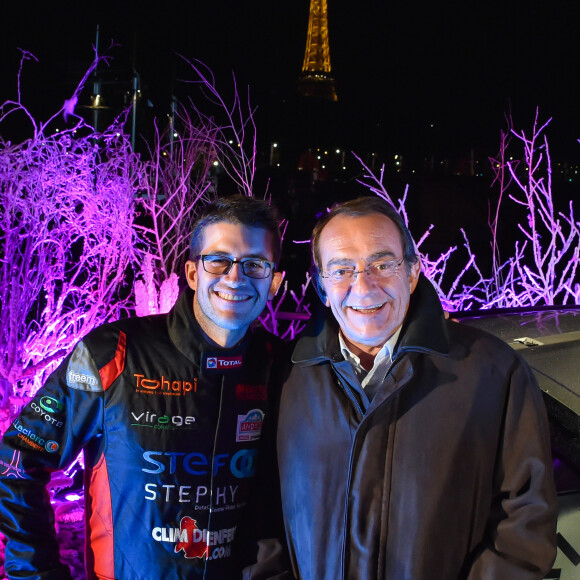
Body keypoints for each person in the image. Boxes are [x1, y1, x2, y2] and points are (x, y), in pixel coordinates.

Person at [0, 195, 289, 579]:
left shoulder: (278, 365)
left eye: (255, 264)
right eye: (218, 260)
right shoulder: (113, 353)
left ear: (274, 282)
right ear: (191, 273)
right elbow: (16, 462)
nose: (235, 278)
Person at [276, 196, 558, 580]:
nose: (363, 286)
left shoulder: (491, 370)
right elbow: (264, 519)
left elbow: (526, 520)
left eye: (382, 264)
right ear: (322, 286)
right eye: (341, 270)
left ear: (412, 273)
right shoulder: (288, 377)